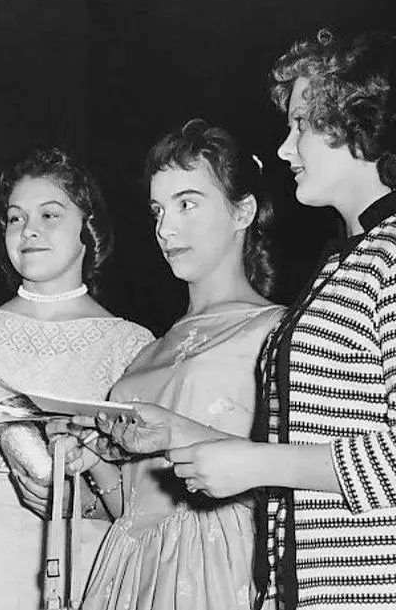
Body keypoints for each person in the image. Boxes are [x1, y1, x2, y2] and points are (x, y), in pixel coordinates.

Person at [160, 30, 396, 609]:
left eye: (302, 125)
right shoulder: (352, 256)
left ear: (363, 125)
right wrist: (176, 433)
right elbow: (318, 440)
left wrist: (256, 464)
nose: (285, 150)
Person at [0, 147, 153, 610]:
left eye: (50, 214)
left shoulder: (132, 346)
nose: (29, 230)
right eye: (16, 218)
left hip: (88, 565)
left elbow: (139, 504)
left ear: (89, 227)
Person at [64, 119, 284, 610]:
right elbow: (136, 506)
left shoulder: (278, 332)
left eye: (187, 204)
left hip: (219, 571)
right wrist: (96, 461)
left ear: (242, 210)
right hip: (129, 571)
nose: (166, 228)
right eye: (158, 210)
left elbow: (294, 489)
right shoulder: (148, 350)